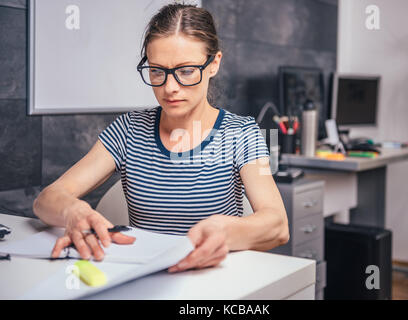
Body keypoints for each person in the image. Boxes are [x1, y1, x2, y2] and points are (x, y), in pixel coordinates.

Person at [33, 3, 289, 273]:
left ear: (213, 64)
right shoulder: (128, 130)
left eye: (186, 71)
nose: (170, 88)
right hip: (143, 277)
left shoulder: (243, 134)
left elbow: (278, 225)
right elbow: (47, 199)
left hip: (214, 281)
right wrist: (73, 211)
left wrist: (226, 230)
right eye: (157, 71)